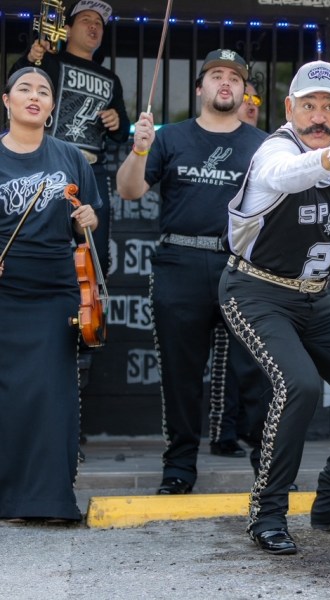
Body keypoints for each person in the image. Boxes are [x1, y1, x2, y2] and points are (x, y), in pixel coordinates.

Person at [219, 60, 330, 555]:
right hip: (255, 291)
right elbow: (289, 177)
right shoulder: (275, 149)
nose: (319, 116)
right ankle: (266, 514)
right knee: (298, 385)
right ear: (290, 108)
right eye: (309, 106)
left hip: (315, 298)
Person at [116, 49, 268, 495]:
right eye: (216, 75)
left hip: (242, 266)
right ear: (199, 87)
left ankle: (269, 468)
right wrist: (140, 148)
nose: (226, 83)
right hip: (179, 262)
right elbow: (129, 190)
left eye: (235, 78)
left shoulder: (263, 146)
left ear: (243, 91)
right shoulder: (169, 137)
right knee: (181, 376)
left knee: (257, 371)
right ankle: (180, 466)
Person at [0, 67, 100, 522]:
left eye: (44, 91)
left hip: (57, 288)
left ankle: (47, 500)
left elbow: (91, 214)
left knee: (52, 393)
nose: (35, 96)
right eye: (25, 89)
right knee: (9, 395)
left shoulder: (70, 156)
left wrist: (89, 220)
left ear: (52, 106)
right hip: (5, 289)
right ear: (7, 101)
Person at [12, 0, 130, 275]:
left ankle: (91, 314)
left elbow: (123, 132)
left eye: (99, 23)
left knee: (94, 251)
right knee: (39, 240)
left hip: (92, 169)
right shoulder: (52, 61)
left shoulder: (110, 78)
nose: (93, 26)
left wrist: (116, 121)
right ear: (67, 29)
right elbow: (17, 84)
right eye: (86, 20)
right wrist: (31, 58)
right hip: (50, 165)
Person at [208, 78, 267, 460]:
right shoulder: (221, 139)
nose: (248, 104)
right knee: (221, 352)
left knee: (251, 356)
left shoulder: (264, 145)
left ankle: (249, 433)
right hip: (206, 253)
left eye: (255, 99)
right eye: (243, 98)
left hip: (249, 259)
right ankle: (221, 432)